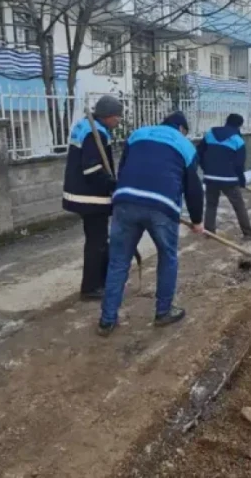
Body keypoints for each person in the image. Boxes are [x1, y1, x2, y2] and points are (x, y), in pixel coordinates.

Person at [98, 112, 204, 336]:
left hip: (125, 200)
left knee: (118, 262)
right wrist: (197, 220)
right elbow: (193, 187)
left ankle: (107, 319)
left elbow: (123, 167)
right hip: (162, 206)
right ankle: (163, 312)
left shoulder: (138, 134)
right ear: (182, 129)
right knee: (167, 257)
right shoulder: (185, 145)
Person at [62, 95, 123, 301]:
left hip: (79, 193)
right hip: (89, 197)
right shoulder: (94, 134)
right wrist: (113, 185)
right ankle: (91, 288)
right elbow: (92, 169)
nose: (118, 121)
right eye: (117, 117)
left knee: (97, 241)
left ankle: (99, 281)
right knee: (97, 243)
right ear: (107, 116)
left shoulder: (84, 126)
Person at [197, 113, 251, 240]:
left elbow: (199, 153)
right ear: (239, 125)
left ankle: (209, 232)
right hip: (229, 179)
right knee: (239, 205)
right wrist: (241, 180)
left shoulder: (210, 134)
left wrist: (206, 168)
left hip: (211, 177)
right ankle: (248, 233)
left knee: (211, 205)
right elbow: (239, 164)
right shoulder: (238, 140)